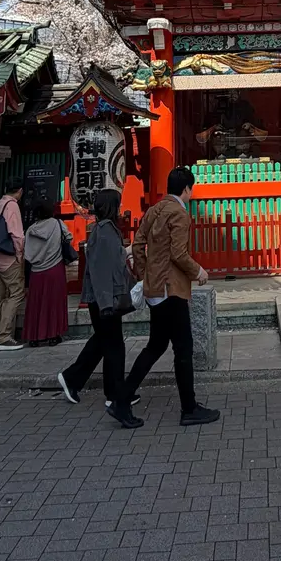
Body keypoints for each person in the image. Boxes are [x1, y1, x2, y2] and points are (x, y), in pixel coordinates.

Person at [120, 166, 220, 427]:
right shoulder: (179, 213)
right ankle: (188, 408)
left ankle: (122, 399)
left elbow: (138, 244)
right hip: (171, 288)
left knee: (156, 345)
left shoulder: (154, 210)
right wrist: (198, 270)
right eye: (191, 189)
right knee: (183, 348)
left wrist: (145, 273)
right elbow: (178, 253)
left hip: (155, 288)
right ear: (187, 189)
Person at [57, 189, 142, 425]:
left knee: (104, 343)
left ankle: (76, 380)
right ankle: (110, 393)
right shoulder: (105, 233)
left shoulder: (104, 231)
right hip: (105, 298)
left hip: (103, 297)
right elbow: (102, 271)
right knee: (113, 345)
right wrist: (107, 303)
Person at [22, 199, 76, 345]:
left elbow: (26, 253)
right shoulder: (57, 224)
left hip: (36, 270)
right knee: (54, 303)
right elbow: (69, 237)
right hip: (55, 268)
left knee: (36, 304)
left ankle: (34, 336)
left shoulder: (30, 230)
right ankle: (53, 334)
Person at [0, 183, 26, 350]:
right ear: (20, 191)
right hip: (9, 258)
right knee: (16, 293)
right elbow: (16, 234)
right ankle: (4, 336)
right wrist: (20, 255)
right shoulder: (12, 206)